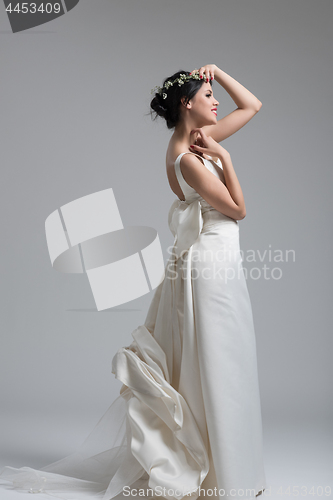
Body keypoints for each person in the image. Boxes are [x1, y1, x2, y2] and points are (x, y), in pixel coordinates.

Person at [0, 64, 267, 500]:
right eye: (208, 95)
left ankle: (229, 473)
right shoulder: (189, 159)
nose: (217, 102)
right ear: (186, 104)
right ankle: (224, 480)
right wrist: (227, 160)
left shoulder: (199, 143)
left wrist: (216, 70)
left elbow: (252, 105)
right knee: (217, 361)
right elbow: (238, 210)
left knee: (224, 359)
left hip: (218, 261)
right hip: (209, 267)